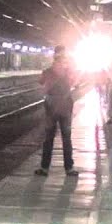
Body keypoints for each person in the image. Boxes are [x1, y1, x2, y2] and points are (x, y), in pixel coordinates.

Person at [35, 46, 79, 177]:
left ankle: (44, 168)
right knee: (66, 137)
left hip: (51, 106)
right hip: (65, 106)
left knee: (49, 138)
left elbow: (41, 82)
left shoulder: (48, 71)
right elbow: (76, 83)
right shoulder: (69, 71)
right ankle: (69, 168)